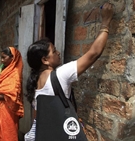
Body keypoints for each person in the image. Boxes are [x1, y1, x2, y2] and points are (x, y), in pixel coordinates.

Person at [24, 2, 114, 140]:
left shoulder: (35, 82)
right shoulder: (60, 75)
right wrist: (106, 22)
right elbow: (94, 53)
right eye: (54, 51)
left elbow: (39, 118)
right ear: (45, 60)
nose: (58, 53)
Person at [0, 47, 24, 141]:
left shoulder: (15, 73)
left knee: (8, 133)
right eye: (1, 57)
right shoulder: (1, 71)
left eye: (4, 57)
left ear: (12, 58)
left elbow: (13, 94)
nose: (2, 60)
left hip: (9, 109)